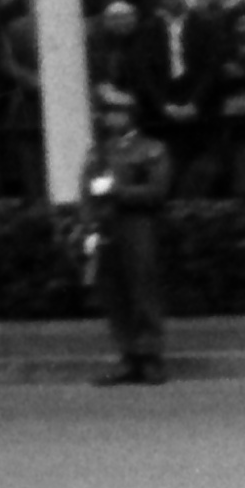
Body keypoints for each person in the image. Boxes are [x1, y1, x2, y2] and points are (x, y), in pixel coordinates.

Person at [78, 94, 172, 385]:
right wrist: (89, 227)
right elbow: (86, 194)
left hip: (137, 224)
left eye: (117, 112)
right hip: (107, 227)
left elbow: (157, 191)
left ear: (131, 115)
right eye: (107, 113)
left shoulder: (150, 149)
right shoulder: (98, 152)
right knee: (114, 292)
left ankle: (150, 355)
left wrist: (117, 191)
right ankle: (128, 354)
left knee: (142, 287)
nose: (111, 118)